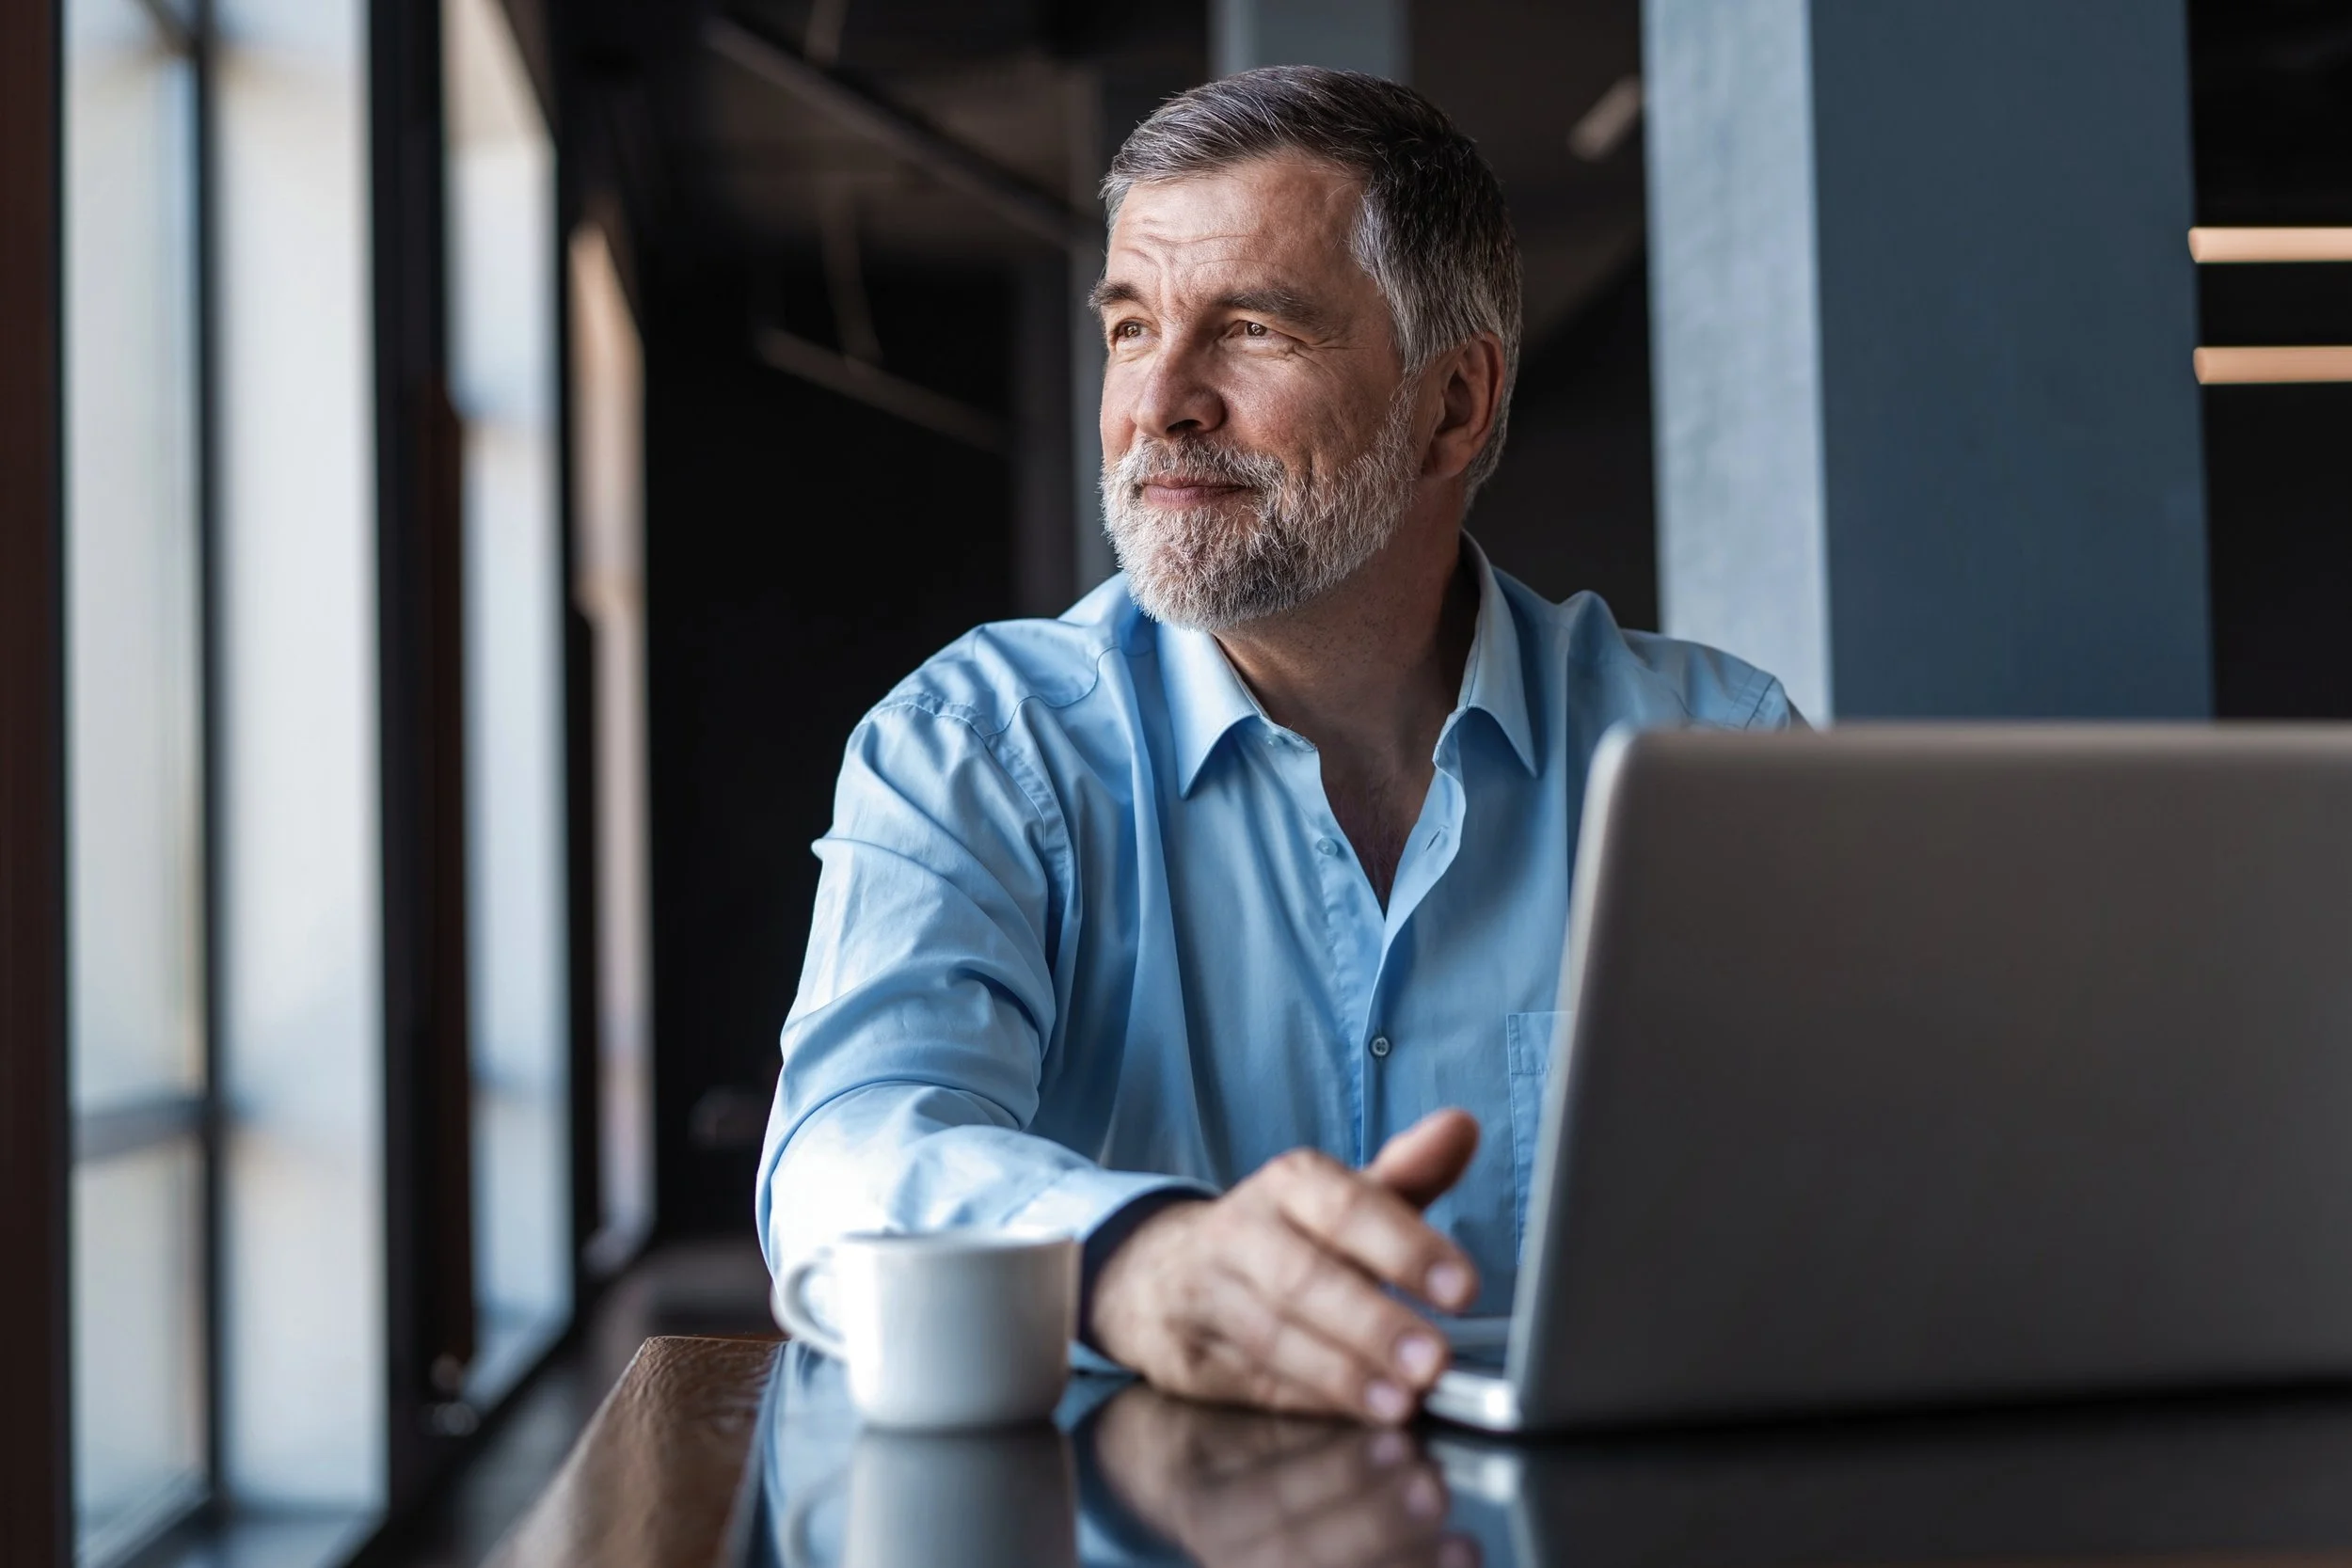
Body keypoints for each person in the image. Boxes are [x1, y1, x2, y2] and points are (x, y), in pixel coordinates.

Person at [755, 65, 1797, 1426]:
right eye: (1133, 328)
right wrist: (1134, 1258)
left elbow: (1861, 1188)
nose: (1161, 404)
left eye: (1249, 329)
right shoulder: (976, 748)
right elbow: (843, 1154)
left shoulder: (1711, 754)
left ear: (1453, 404)